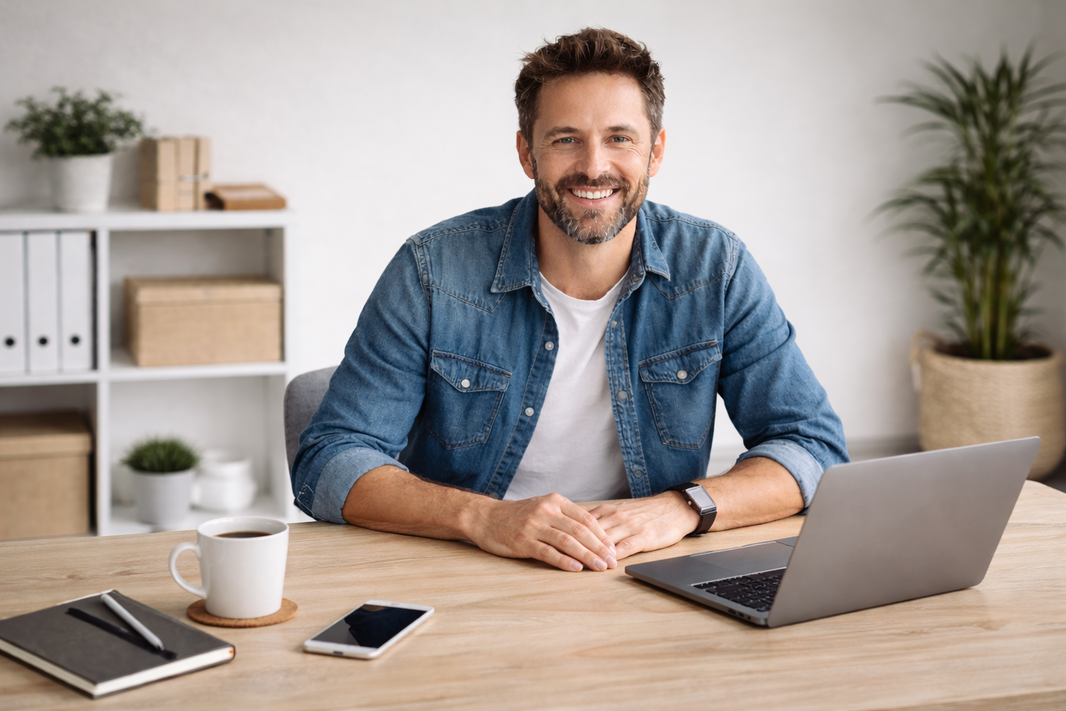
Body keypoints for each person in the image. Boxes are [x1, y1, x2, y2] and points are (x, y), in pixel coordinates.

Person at [292, 27, 848, 573]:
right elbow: (331, 458)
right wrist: (483, 518)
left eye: (619, 138)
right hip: (464, 570)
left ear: (655, 152)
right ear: (526, 154)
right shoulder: (433, 270)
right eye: (565, 139)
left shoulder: (715, 267)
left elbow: (811, 447)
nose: (593, 166)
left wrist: (684, 507)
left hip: (640, 570)